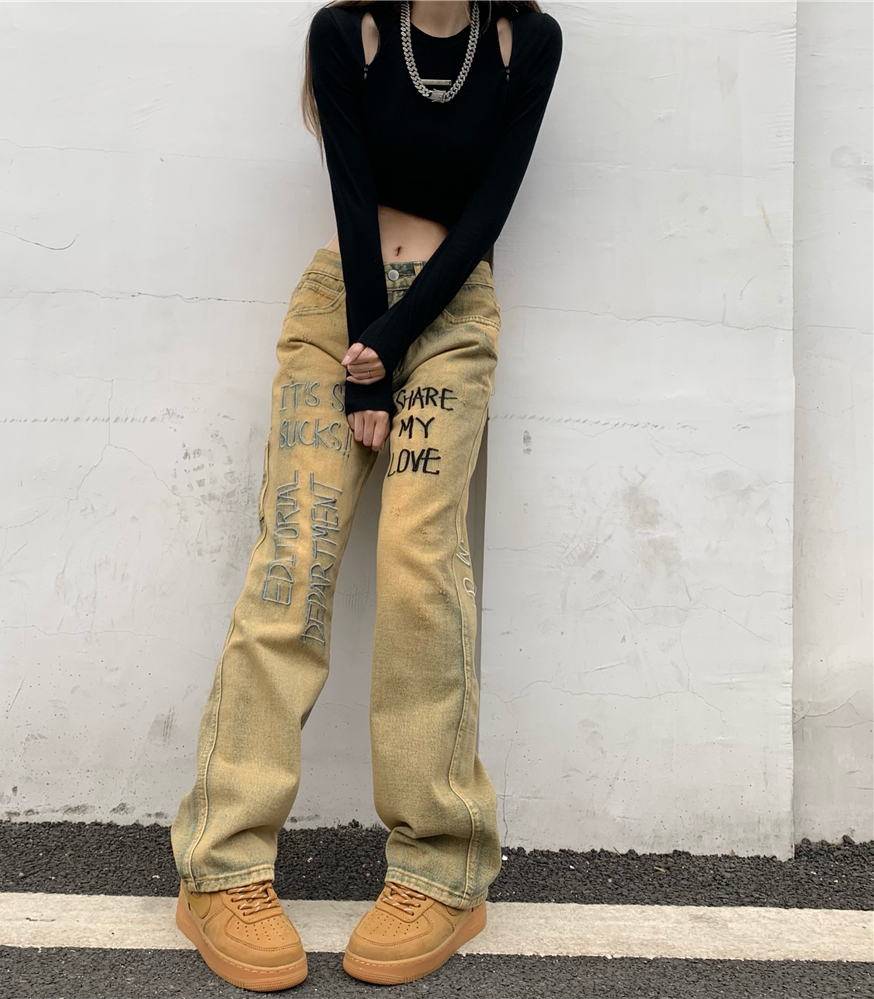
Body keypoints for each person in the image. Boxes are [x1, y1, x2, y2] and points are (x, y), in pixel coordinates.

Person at [169, 0, 562, 990]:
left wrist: (393, 343)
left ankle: (439, 871)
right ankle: (222, 869)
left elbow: (486, 215)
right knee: (295, 561)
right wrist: (363, 362)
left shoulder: (525, 43)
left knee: (417, 563)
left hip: (449, 315)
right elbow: (352, 197)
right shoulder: (349, 34)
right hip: (339, 310)